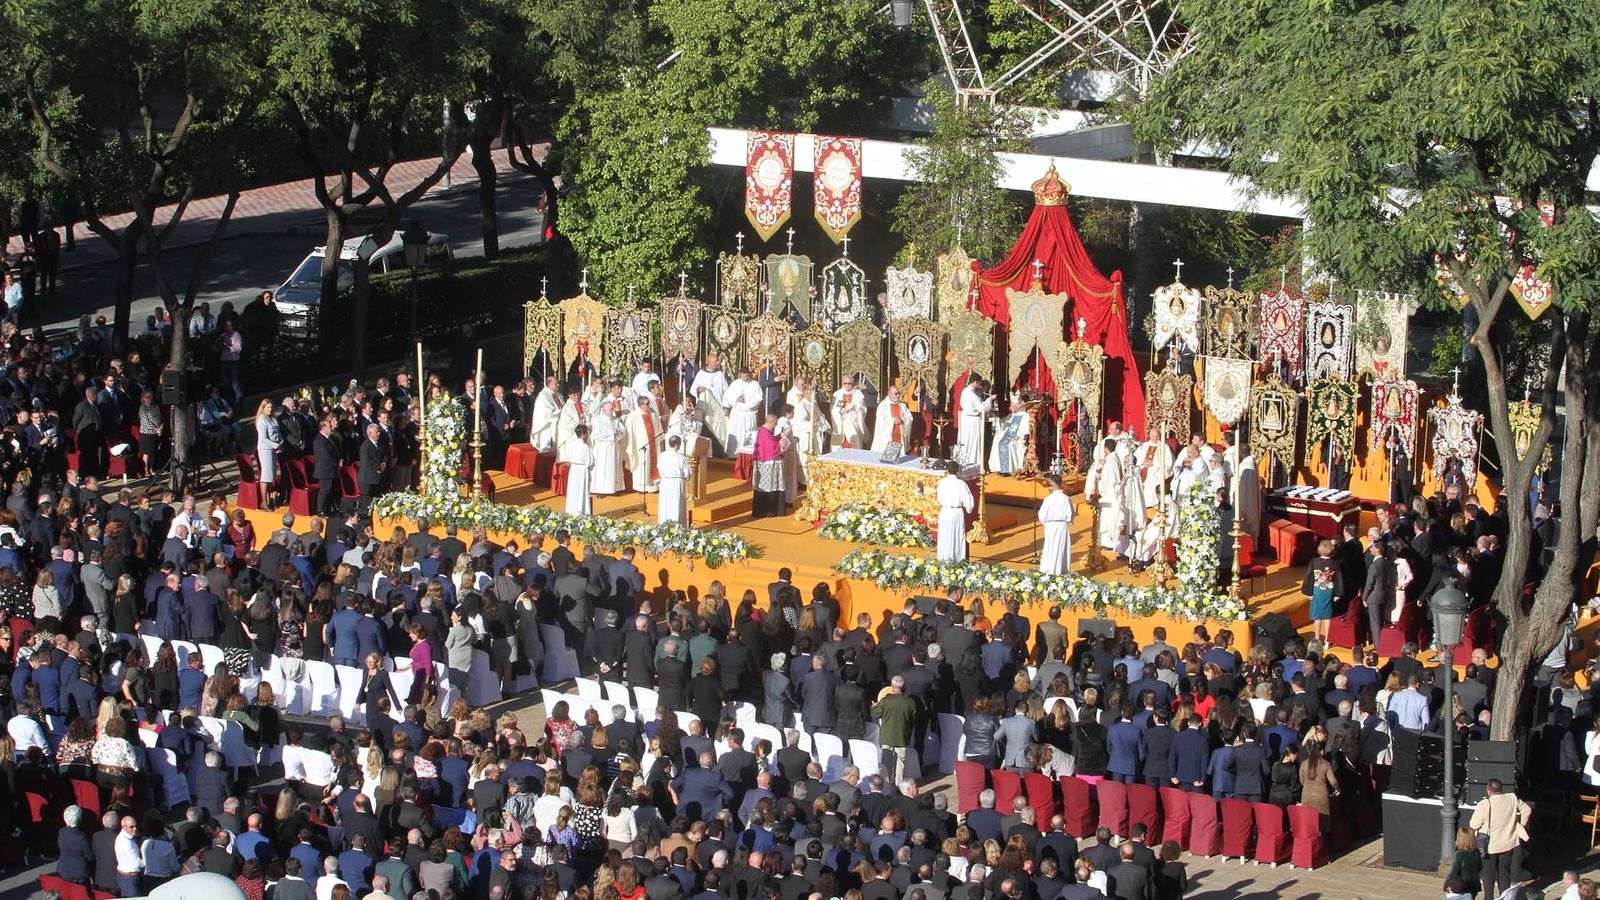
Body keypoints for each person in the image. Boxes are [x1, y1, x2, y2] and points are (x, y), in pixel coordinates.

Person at [1469, 778, 1530, 900]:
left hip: (1489, 845)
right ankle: (1506, 897)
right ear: (1501, 789)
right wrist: (1520, 826)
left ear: (1489, 790)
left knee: (1489, 875)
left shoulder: (1485, 804)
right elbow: (1527, 809)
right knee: (1504, 873)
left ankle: (1489, 898)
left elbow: (1473, 825)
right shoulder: (1512, 798)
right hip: (1508, 842)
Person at [1303, 539, 1343, 644]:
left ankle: (1317, 638)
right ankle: (1327, 639)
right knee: (1327, 616)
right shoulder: (1335, 563)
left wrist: (1308, 592)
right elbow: (1339, 579)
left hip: (1317, 591)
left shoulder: (1314, 561)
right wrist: (1338, 594)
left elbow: (1309, 577)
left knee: (1317, 616)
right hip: (1329, 591)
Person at [935, 461, 974, 562]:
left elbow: (939, 498)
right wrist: (969, 509)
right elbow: (969, 503)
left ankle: (943, 559)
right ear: (958, 471)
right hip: (957, 513)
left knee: (945, 536)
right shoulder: (961, 484)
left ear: (947, 470)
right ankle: (957, 560)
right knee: (956, 537)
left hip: (945, 512)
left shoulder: (942, 482)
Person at [751, 412, 787, 519]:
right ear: (770, 422)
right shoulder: (764, 432)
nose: (775, 426)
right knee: (768, 485)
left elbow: (771, 442)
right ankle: (769, 510)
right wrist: (781, 446)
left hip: (767, 461)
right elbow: (771, 448)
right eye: (775, 423)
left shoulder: (766, 431)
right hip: (767, 463)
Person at [624, 396, 662, 494]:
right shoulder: (633, 416)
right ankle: (641, 487)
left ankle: (653, 486)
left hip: (653, 443)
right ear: (640, 405)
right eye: (646, 404)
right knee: (642, 465)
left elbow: (658, 427)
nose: (648, 406)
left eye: (648, 403)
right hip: (640, 446)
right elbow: (629, 432)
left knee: (654, 463)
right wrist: (630, 446)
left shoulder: (653, 414)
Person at [721, 369, 763, 456]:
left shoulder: (755, 385)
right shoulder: (735, 383)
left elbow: (759, 398)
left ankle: (746, 454)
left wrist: (746, 400)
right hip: (737, 414)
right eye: (743, 376)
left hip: (748, 413)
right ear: (740, 375)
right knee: (735, 432)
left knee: (747, 434)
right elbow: (727, 395)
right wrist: (736, 399)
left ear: (750, 375)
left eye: (747, 376)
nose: (745, 378)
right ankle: (733, 453)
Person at [1038, 477, 1075, 575]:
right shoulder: (1066, 499)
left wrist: (1046, 524)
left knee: (1050, 547)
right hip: (1062, 525)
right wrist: (1068, 521)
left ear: (1052, 484)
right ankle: (1060, 570)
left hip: (1051, 525)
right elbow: (1071, 514)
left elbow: (1042, 515)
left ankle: (1049, 569)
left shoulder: (1048, 499)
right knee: (1061, 547)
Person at [955, 378, 994, 467]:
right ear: (975, 382)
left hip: (966, 419)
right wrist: (990, 398)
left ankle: (963, 461)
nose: (979, 387)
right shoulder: (972, 394)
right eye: (979, 384)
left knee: (965, 440)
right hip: (972, 421)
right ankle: (973, 464)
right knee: (973, 442)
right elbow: (982, 408)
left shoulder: (965, 391)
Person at [590, 399, 626, 495]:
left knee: (614, 468)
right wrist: (610, 432)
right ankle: (601, 490)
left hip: (614, 446)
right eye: (609, 409)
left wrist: (618, 432)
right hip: (603, 448)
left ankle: (613, 488)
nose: (611, 411)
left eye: (612, 409)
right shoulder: (597, 420)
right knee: (603, 469)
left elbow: (623, 431)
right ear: (603, 410)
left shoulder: (615, 419)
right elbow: (596, 435)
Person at [657, 435, 691, 525]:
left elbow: (659, 468)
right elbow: (687, 473)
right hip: (677, 483)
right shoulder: (681, 457)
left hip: (665, 482)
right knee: (676, 505)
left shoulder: (662, 456)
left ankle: (663, 525)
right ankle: (677, 527)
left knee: (665, 505)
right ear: (676, 445)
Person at [870, 386, 913, 454]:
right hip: (887, 437)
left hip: (899, 434)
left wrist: (902, 420)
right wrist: (893, 421)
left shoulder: (902, 405)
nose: (898, 395)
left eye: (899, 393)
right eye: (895, 394)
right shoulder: (882, 406)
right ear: (889, 393)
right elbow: (881, 423)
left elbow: (909, 418)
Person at [562, 424, 593, 516]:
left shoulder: (571, 445)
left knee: (573, 490)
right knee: (581, 491)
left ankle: (571, 509)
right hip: (582, 470)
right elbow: (590, 461)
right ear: (583, 434)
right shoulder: (586, 447)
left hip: (573, 469)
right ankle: (582, 511)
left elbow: (568, 456)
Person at [831, 376, 868, 450]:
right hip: (841, 422)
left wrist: (852, 408)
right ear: (842, 384)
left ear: (853, 384)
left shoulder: (858, 394)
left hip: (853, 422)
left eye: (849, 383)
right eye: (845, 383)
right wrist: (840, 410)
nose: (847, 385)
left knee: (855, 443)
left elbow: (863, 409)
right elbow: (833, 409)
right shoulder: (837, 394)